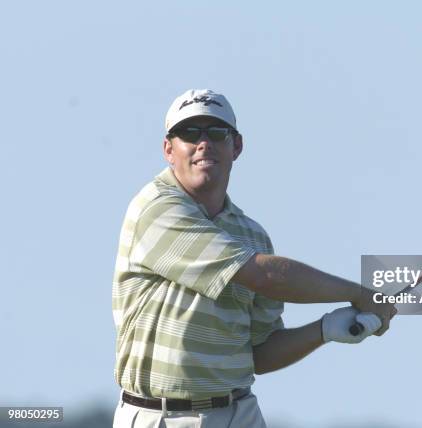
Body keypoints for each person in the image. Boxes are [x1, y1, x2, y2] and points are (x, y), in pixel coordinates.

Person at [111, 89, 397, 427]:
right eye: (190, 133)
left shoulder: (252, 236)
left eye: (217, 133)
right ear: (168, 150)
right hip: (158, 415)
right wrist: (359, 293)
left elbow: (260, 352)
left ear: (237, 147)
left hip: (239, 413)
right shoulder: (157, 208)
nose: (204, 143)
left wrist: (325, 329)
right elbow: (263, 276)